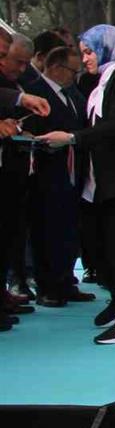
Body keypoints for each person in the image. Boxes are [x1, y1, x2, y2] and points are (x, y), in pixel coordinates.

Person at [36, 25, 115, 344]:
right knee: (96, 247)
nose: (85, 58)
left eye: (89, 52)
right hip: (98, 180)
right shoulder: (101, 81)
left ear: (108, 49)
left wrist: (71, 138)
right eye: (83, 52)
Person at [23, 46, 95, 308]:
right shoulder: (34, 93)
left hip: (73, 173)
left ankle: (65, 281)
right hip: (46, 174)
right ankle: (47, 286)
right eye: (71, 71)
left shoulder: (73, 95)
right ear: (55, 68)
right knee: (46, 231)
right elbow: (28, 130)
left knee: (69, 230)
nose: (75, 76)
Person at [0, 32, 37, 310]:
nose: (3, 63)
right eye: (4, 56)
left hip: (13, 170)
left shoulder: (20, 83)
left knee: (10, 233)